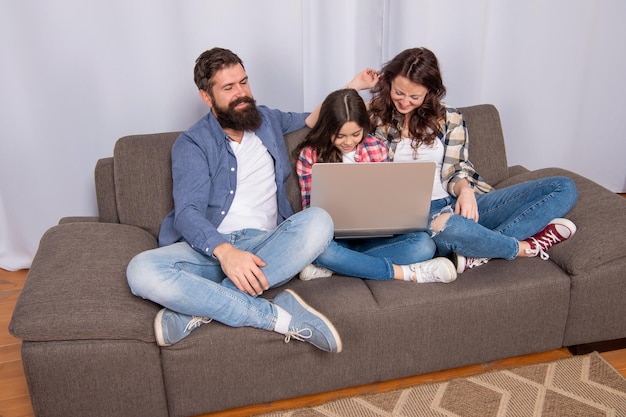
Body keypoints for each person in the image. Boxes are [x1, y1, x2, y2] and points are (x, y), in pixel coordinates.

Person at [126, 47, 374, 353]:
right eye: (229, 88)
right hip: (209, 252)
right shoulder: (192, 143)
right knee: (140, 270)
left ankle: (200, 306)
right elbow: (187, 213)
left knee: (320, 220)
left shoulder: (268, 120)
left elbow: (315, 118)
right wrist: (226, 252)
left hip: (265, 247)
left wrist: (353, 85)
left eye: (244, 82)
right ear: (206, 97)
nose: (241, 93)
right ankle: (277, 317)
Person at [363, 47, 578, 272]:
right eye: (399, 93)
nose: (405, 101)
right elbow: (328, 127)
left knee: (563, 187)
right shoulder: (375, 116)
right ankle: (521, 247)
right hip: (415, 217)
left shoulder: (450, 117)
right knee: (453, 227)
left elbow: (456, 168)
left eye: (414, 96)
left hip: (453, 203)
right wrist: (355, 85)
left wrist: (465, 191)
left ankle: (475, 251)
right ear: (388, 84)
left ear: (429, 92)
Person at [294, 88, 457, 283]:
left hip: (375, 236)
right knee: (320, 251)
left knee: (424, 245)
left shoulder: (376, 147)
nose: (348, 142)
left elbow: (386, 198)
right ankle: (406, 273)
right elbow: (309, 210)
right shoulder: (310, 155)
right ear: (327, 129)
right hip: (333, 238)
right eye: (339, 136)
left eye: (355, 134)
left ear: (364, 126)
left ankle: (339, 267)